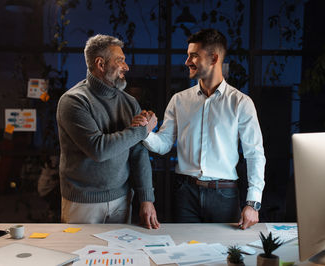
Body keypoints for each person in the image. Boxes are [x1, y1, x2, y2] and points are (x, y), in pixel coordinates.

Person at [140, 29, 265, 229]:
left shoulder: (241, 102)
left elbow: (255, 154)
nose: (186, 61)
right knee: (183, 254)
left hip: (225, 196)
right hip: (184, 194)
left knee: (224, 257)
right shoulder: (179, 100)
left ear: (214, 58)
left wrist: (252, 202)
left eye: (193, 55)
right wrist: (145, 132)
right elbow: (163, 144)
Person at [56, 34, 159, 229]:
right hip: (83, 203)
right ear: (100, 64)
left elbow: (138, 154)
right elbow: (98, 149)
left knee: (121, 258)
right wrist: (141, 131)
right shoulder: (73, 101)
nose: (126, 67)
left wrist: (147, 199)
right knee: (81, 257)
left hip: (122, 198)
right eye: (120, 60)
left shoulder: (129, 102)